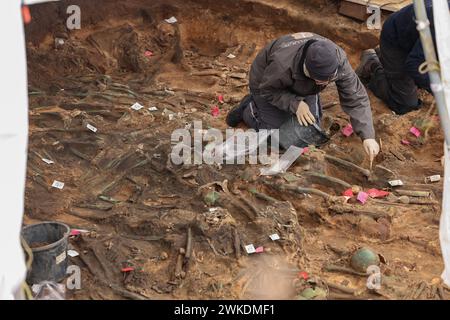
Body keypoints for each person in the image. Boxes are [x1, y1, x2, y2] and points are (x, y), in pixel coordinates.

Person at [226, 32, 379, 162]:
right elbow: (268, 90)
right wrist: (296, 104)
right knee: (275, 137)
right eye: (320, 80)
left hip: (304, 86)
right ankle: (249, 108)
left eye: (329, 80)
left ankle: (302, 97)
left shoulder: (337, 60)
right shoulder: (281, 64)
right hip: (266, 84)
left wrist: (368, 136)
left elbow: (356, 97)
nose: (325, 83)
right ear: (307, 69)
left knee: (309, 131)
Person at [356, 0, 450, 115]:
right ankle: (372, 64)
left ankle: (384, 57)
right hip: (396, 43)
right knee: (406, 104)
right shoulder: (442, 23)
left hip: (416, 38)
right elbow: (414, 65)